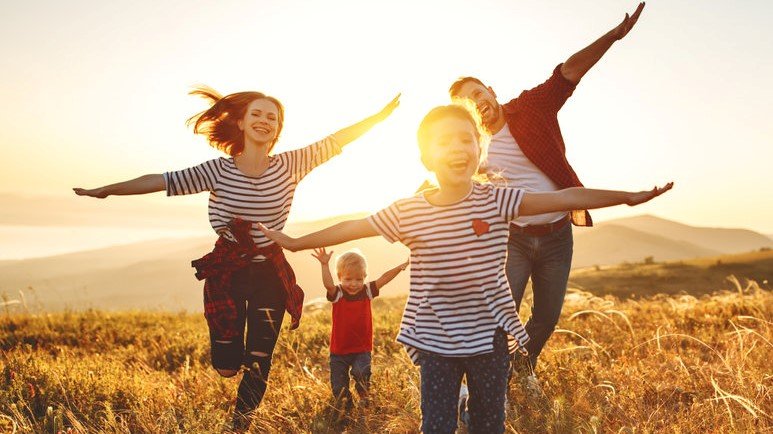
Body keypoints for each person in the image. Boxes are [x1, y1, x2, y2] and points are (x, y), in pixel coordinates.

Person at [257, 103, 672, 433]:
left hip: (491, 336)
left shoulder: (497, 201)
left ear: (480, 149)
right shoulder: (408, 212)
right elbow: (354, 227)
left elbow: (564, 198)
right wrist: (294, 242)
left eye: (466, 139)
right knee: (436, 426)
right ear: (425, 156)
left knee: (489, 425)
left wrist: (627, 196)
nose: (457, 148)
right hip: (435, 337)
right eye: (443, 142)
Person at [73, 87, 399, 431]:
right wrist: (106, 189)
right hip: (228, 273)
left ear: (277, 129)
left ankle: (239, 424)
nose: (264, 121)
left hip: (270, 274)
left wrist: (378, 118)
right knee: (227, 366)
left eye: (272, 117)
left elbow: (337, 140)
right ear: (241, 122)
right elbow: (159, 180)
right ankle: (230, 360)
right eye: (256, 114)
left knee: (260, 359)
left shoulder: (291, 164)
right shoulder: (217, 170)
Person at [449, 3, 647, 392]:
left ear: (489, 88)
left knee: (546, 317)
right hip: (514, 240)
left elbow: (567, 73)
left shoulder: (530, 107)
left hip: (557, 236)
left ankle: (523, 368)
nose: (477, 103)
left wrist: (612, 36)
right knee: (499, 315)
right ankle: (492, 381)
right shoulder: (474, 147)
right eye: (467, 105)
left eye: (477, 93)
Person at [311, 247, 408, 412]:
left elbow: (384, 278)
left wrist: (401, 267)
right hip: (339, 351)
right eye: (348, 279)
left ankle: (364, 397)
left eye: (358, 279)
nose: (354, 284)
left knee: (362, 373)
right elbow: (328, 284)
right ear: (340, 277)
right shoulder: (338, 293)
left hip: (361, 348)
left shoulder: (367, 291)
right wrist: (324, 265)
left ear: (364, 278)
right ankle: (347, 407)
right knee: (338, 387)